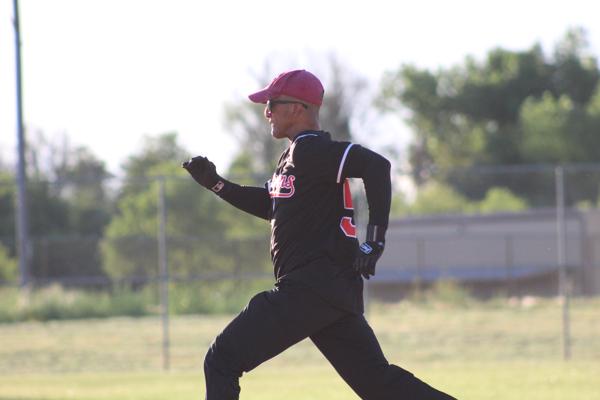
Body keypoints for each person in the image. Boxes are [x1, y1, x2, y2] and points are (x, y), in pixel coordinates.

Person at [183, 69, 456, 400]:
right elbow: (271, 204)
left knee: (222, 359)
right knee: (378, 385)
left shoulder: (309, 150)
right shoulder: (294, 155)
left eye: (272, 103)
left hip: (310, 285)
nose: (266, 111)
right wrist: (217, 184)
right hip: (330, 288)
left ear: (297, 108)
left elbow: (377, 166)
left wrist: (375, 239)